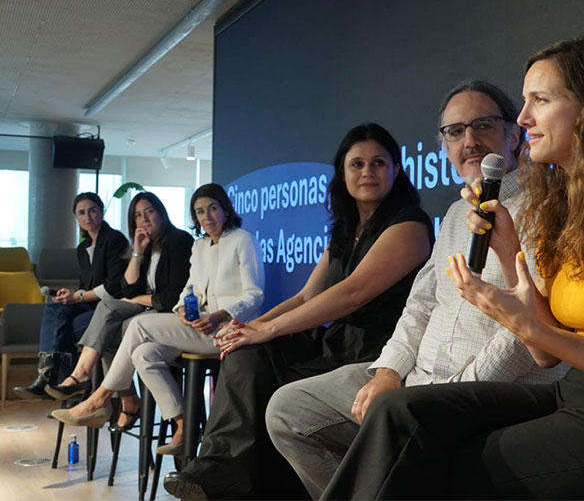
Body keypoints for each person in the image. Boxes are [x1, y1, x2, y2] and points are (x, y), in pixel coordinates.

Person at [320, 37, 584, 500]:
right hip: (578, 394)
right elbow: (545, 355)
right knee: (401, 413)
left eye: (541, 100)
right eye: (525, 100)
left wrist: (525, 324)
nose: (523, 118)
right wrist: (509, 254)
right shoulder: (571, 205)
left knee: (449, 468)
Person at [265, 80, 567, 499]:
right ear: (444, 146)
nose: (471, 140)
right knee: (288, 410)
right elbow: (421, 304)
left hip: (492, 389)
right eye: (455, 132)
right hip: (417, 379)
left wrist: (450, 393)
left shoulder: (547, 208)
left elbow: (527, 329)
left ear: (514, 134)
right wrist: (389, 372)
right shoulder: (456, 212)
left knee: (395, 421)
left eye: (483, 125)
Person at [163, 123, 434, 500]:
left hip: (377, 352)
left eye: (378, 163)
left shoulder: (409, 225)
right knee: (246, 352)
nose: (367, 172)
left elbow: (351, 294)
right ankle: (218, 470)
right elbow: (308, 296)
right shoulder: (345, 230)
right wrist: (251, 327)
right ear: (342, 173)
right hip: (335, 343)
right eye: (357, 164)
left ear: (396, 170)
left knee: (266, 362)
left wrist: (270, 329)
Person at [51, 183, 264, 451]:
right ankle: (183, 425)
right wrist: (182, 310)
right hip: (197, 326)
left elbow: (255, 294)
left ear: (225, 209)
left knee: (137, 324)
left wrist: (222, 313)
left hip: (226, 329)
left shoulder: (243, 240)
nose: (207, 217)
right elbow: (189, 289)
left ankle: (99, 399)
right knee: (144, 355)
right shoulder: (199, 246)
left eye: (212, 209)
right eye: (199, 212)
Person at [44, 192, 193, 431]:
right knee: (107, 327)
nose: (144, 220)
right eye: (137, 216)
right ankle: (122, 399)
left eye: (149, 212)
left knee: (109, 317)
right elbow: (127, 286)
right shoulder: (147, 246)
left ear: (161, 212)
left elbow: (170, 297)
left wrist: (137, 298)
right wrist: (137, 251)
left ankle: (92, 385)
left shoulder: (179, 241)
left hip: (167, 312)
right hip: (145, 307)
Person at [14, 192, 129, 399]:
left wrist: (78, 297)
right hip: (92, 304)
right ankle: (48, 377)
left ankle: (65, 387)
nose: (88, 217)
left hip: (111, 307)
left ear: (101, 212)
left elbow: (115, 287)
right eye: (82, 213)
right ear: (76, 217)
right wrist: (73, 294)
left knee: (65, 327)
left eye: (93, 211)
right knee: (54, 308)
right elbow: (85, 285)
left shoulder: (114, 240)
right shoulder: (83, 247)